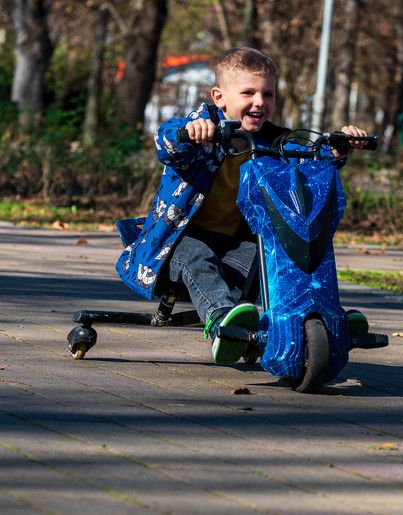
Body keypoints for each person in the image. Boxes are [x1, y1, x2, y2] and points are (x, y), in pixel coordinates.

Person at [116, 46, 368, 364]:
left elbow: (307, 161)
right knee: (197, 256)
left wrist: (337, 148)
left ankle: (316, 317)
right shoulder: (200, 129)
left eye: (268, 94)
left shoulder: (275, 141)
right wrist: (188, 133)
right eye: (248, 92)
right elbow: (166, 142)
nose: (260, 102)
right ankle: (223, 322)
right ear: (219, 97)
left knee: (280, 259)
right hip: (176, 242)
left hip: (234, 245)